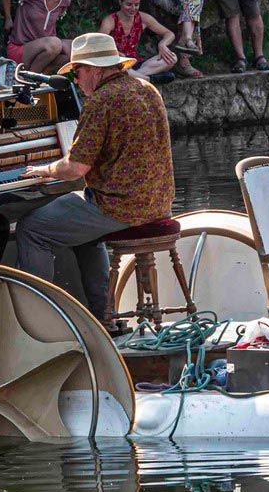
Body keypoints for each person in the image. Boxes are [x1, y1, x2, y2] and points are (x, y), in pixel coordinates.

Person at [13, 31, 174, 323]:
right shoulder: (147, 89)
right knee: (83, 230)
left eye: (77, 72)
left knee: (32, 229)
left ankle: (37, 319)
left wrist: (44, 170)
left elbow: (75, 169)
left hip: (121, 206)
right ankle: (103, 317)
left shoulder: (102, 100)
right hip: (159, 201)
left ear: (94, 70)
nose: (75, 80)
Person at [0, 0, 74, 74]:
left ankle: (40, 75)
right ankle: (29, 78)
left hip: (43, 50)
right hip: (21, 48)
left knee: (75, 49)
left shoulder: (65, 1)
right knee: (55, 44)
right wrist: (8, 18)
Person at [101, 0, 179, 82]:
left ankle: (132, 76)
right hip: (116, 63)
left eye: (136, 5)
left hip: (135, 64)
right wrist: (116, 53)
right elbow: (99, 47)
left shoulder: (143, 18)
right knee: (117, 65)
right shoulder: (109, 21)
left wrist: (162, 44)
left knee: (172, 58)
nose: (133, 8)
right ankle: (148, 79)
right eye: (129, 4)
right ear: (120, 2)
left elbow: (169, 34)